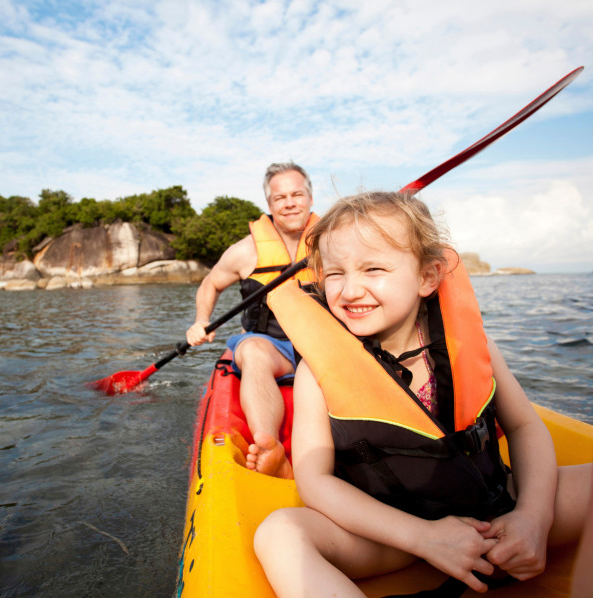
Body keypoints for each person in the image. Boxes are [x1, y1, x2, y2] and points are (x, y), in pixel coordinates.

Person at [253, 191, 592, 596]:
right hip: (397, 538)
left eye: (373, 268)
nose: (349, 290)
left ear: (427, 277)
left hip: (496, 515)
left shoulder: (470, 345)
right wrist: (423, 537)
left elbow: (523, 426)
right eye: (335, 273)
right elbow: (315, 481)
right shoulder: (316, 371)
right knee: (280, 533)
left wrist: (532, 519)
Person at [186, 162, 319, 479]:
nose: (289, 203)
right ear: (269, 205)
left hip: (321, 345)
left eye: (297, 195)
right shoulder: (245, 251)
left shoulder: (336, 243)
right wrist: (201, 320)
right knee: (252, 352)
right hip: (272, 346)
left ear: (310, 199)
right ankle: (270, 447)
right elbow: (211, 284)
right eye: (279, 197)